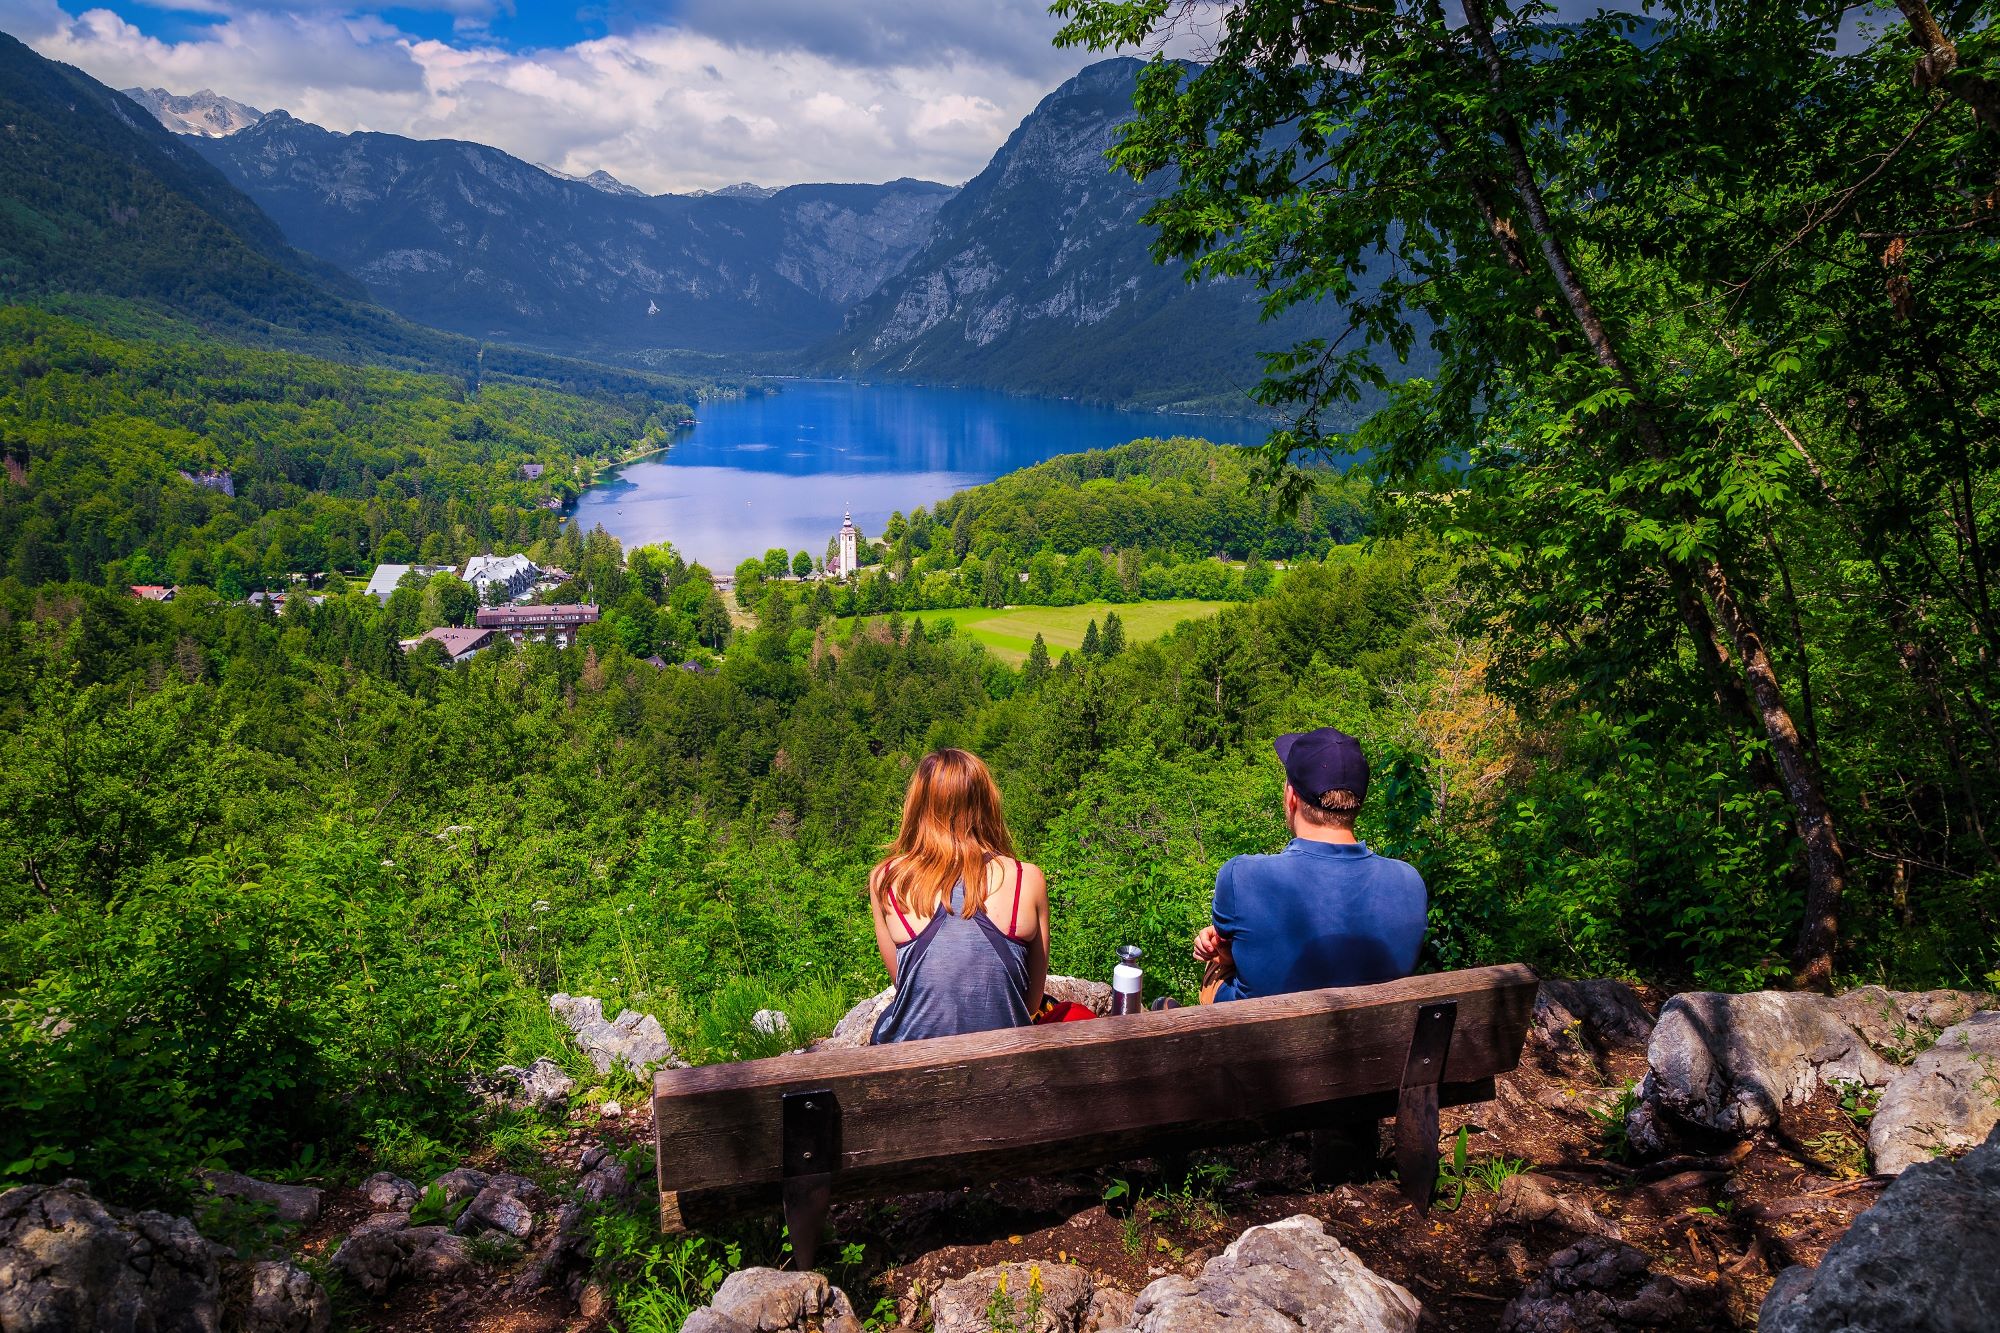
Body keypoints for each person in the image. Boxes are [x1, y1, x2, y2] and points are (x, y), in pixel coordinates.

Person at [1193, 727, 1426, 1003]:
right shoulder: (1409, 882)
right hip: (1376, 1041)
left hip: (1262, 1043)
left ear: (1291, 797)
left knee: (1216, 969)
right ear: (1357, 803)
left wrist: (1226, 955)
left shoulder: (1242, 876)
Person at [868, 748, 1050, 1043]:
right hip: (1004, 1071)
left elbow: (905, 986)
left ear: (918, 806)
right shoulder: (1026, 880)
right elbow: (1029, 1003)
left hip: (912, 1067)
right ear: (986, 803)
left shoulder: (887, 879)